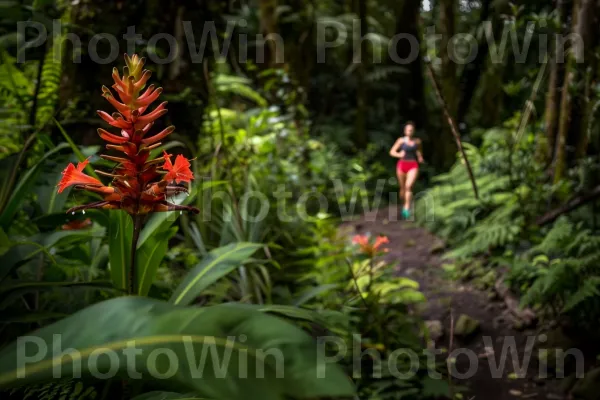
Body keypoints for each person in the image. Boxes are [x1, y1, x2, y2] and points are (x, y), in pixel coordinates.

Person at [389, 121, 424, 219]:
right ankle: (403, 203)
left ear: (414, 131)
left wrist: (420, 157)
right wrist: (399, 154)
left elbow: (419, 150)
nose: (410, 131)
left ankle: (406, 208)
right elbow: (392, 152)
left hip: (413, 165)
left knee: (408, 187)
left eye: (411, 130)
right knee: (403, 188)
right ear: (405, 131)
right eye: (408, 130)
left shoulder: (417, 141)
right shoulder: (401, 141)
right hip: (402, 165)